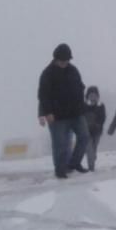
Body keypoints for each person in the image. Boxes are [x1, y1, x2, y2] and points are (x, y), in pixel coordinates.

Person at [38, 43, 90, 179]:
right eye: (62, 60)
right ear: (55, 59)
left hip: (76, 113)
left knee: (84, 136)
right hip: (57, 117)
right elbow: (43, 95)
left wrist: (82, 106)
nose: (64, 63)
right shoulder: (47, 74)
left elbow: (81, 87)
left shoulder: (74, 71)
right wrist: (47, 113)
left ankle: (74, 163)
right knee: (60, 144)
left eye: (67, 60)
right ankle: (60, 170)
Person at [82, 86, 107, 172]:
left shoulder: (101, 105)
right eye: (91, 95)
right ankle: (91, 168)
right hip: (86, 132)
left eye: (94, 95)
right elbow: (81, 117)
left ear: (97, 96)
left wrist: (98, 124)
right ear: (87, 96)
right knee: (89, 149)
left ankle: (92, 157)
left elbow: (103, 117)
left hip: (97, 132)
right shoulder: (83, 105)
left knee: (94, 148)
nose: (92, 97)